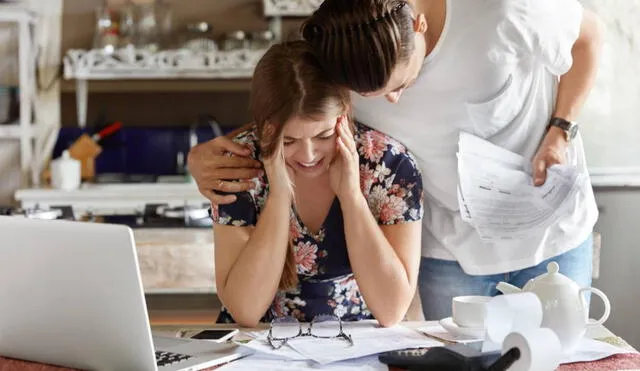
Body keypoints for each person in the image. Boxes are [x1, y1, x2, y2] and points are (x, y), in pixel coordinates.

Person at [189, 0, 604, 320]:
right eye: (371, 97)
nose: (393, 101)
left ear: (419, 26)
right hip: (452, 248)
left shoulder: (506, 11)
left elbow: (588, 38)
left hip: (550, 232)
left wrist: (560, 130)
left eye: (402, 83)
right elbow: (294, 99)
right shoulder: (343, 46)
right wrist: (205, 155)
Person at [210, 40, 424, 327]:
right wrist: (279, 196)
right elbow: (245, 312)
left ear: (344, 113)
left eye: (323, 136)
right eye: (289, 141)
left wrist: (351, 197)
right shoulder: (238, 167)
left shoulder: (390, 166)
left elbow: (392, 310)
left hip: (356, 342)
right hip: (259, 344)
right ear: (264, 128)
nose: (308, 156)